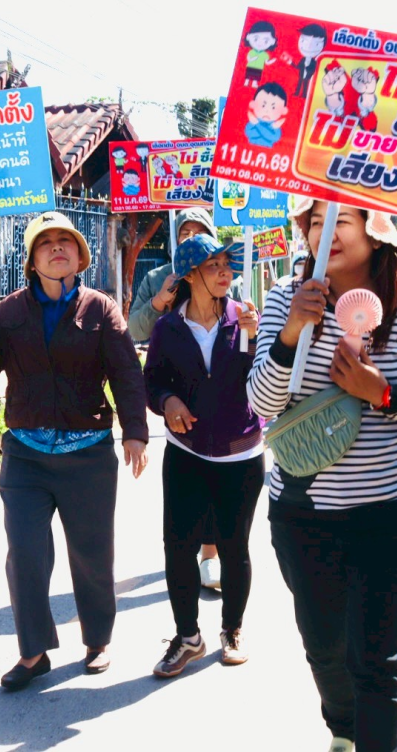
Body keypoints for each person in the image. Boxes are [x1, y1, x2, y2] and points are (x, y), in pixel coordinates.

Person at [247, 200, 397, 752]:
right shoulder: (280, 301)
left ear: (374, 230)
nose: (324, 232)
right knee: (326, 651)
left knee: (376, 662)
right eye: (314, 223)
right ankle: (342, 731)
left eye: (339, 221)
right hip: (303, 512)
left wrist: (382, 393)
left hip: (389, 511)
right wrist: (293, 330)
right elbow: (261, 401)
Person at [0, 212, 149, 691]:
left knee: (91, 553)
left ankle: (98, 639)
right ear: (32, 259)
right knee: (24, 553)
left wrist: (135, 431)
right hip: (25, 454)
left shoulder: (100, 309)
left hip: (86, 452)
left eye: (64, 241)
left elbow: (127, 374)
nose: (55, 248)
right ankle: (33, 652)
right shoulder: (9, 311)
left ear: (79, 255)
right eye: (45, 242)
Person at [143, 234, 263, 677]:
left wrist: (256, 338)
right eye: (213, 266)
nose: (224, 273)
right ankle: (188, 636)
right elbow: (151, 381)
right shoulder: (168, 328)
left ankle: (232, 628)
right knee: (178, 548)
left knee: (235, 547)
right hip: (186, 454)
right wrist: (168, 401)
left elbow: (267, 378)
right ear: (190, 275)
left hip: (241, 454)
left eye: (227, 266)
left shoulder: (246, 319)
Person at [128, 206, 237, 590]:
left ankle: (211, 552)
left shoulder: (223, 279)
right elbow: (134, 327)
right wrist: (160, 301)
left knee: (218, 472)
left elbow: (236, 331)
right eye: (184, 232)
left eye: (199, 231)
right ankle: (187, 554)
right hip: (174, 389)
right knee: (186, 481)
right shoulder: (159, 276)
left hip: (215, 392)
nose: (190, 237)